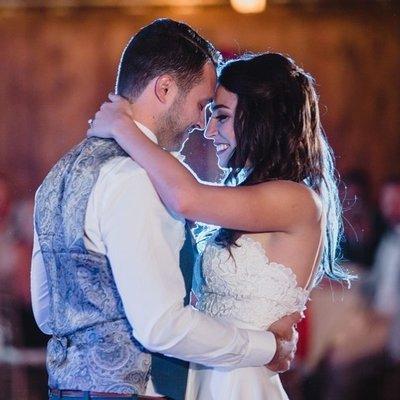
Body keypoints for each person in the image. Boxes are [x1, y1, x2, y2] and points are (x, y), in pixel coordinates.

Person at [31, 20, 298, 400]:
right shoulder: (138, 178)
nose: (200, 122)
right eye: (202, 105)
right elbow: (161, 327)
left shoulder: (56, 176)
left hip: (65, 388)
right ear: (166, 88)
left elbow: (46, 310)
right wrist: (267, 348)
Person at [88, 52, 351, 399]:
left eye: (221, 117)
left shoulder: (297, 200)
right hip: (207, 374)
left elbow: (186, 197)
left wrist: (124, 127)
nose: (209, 131)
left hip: (241, 383)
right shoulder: (253, 198)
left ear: (263, 119)